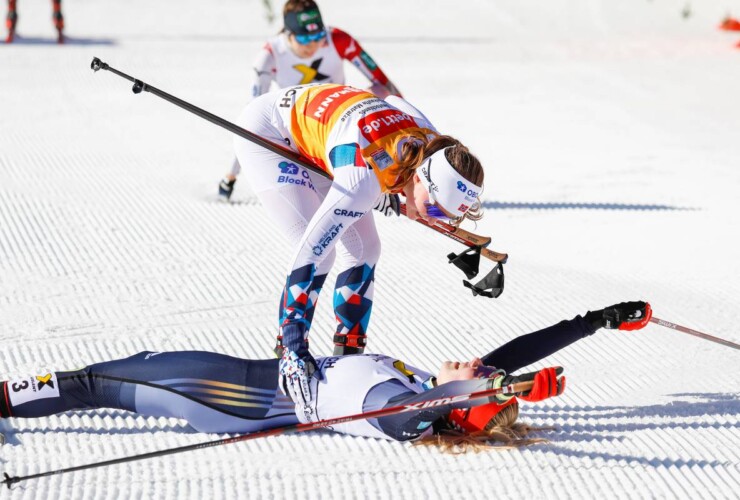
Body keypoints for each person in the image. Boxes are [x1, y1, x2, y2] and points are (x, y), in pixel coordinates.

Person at [0, 302, 652, 447]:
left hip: (233, 398)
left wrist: (482, 391)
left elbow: (418, 413)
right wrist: (598, 319)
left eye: (477, 378)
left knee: (99, 382)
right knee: (96, 375)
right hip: (249, 376)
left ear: (461, 401)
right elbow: (520, 349)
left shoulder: (401, 410)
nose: (479, 363)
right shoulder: (441, 390)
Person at [232, 81, 485, 408]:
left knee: (366, 249)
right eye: (433, 209)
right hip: (268, 132)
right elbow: (311, 251)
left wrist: (395, 193)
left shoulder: (435, 146)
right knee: (321, 251)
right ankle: (288, 349)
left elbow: (394, 100)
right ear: (419, 177)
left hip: (332, 136)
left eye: (448, 218)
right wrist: (293, 345)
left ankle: (349, 354)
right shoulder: (362, 180)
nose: (435, 220)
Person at [219, 0, 401, 201]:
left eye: (318, 36)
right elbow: (250, 119)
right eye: (305, 39)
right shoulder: (270, 55)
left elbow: (384, 83)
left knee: (382, 92)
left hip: (338, 119)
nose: (313, 44)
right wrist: (231, 175)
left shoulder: (338, 39)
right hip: (300, 128)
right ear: (288, 34)